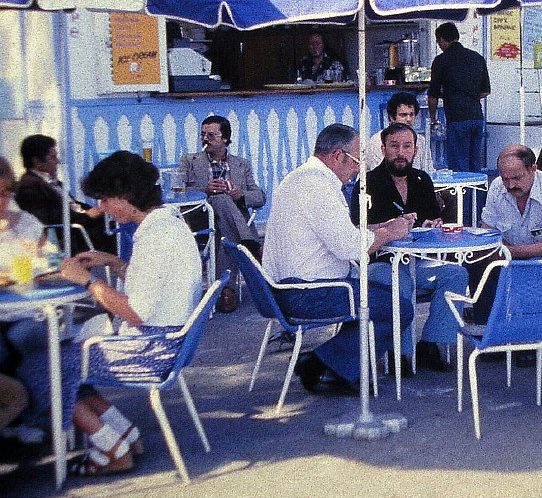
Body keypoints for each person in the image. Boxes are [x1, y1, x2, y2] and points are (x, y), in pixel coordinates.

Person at [58, 150, 203, 476]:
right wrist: (113, 262)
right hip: (171, 340)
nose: (100, 208)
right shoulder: (170, 223)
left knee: (48, 365)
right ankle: (122, 434)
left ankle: (112, 448)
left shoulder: (154, 238)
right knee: (66, 357)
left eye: (105, 199)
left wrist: (88, 282)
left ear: (124, 196)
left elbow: (135, 311)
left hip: (150, 350)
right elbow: (157, 285)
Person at [262, 124, 412, 396]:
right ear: (337, 156)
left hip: (296, 286)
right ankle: (322, 364)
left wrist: (378, 230)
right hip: (305, 292)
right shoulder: (316, 187)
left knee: (380, 294)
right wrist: (391, 232)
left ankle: (335, 364)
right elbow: (351, 247)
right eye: (356, 161)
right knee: (398, 307)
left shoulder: (303, 179)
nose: (358, 170)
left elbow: (340, 236)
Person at [350, 122, 467, 373]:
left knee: (456, 273)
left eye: (407, 146)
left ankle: (430, 343)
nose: (400, 152)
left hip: (417, 261)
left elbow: (433, 221)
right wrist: (391, 226)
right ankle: (399, 353)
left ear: (415, 150)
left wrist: (434, 224)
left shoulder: (422, 180)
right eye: (394, 146)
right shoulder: (367, 183)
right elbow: (356, 230)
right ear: (383, 149)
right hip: (379, 263)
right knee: (400, 281)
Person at [473, 144, 542, 327]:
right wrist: (497, 250)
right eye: (505, 178)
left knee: (494, 269)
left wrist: (507, 251)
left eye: (516, 178)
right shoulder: (497, 187)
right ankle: (490, 336)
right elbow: (486, 232)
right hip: (511, 263)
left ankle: (520, 338)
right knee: (476, 265)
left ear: (533, 169)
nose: (511, 185)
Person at [179, 115, 266, 313]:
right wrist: (205, 189)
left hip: (227, 223)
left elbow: (260, 196)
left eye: (211, 135)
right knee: (218, 198)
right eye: (202, 135)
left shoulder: (241, 164)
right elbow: (178, 190)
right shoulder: (189, 161)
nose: (205, 139)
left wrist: (240, 194)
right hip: (200, 218)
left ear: (225, 139)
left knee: (224, 227)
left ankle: (226, 290)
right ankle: (250, 244)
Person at [0, 156, 47, 445]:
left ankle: (28, 416)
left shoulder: (27, 222)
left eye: (7, 192)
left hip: (23, 309)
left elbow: (48, 260)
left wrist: (43, 260)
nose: (4, 199)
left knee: (30, 335)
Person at [15, 135, 115, 254]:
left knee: (119, 222)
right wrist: (87, 216)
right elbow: (47, 218)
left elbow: (73, 205)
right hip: (71, 233)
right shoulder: (28, 186)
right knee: (119, 233)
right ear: (37, 161)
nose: (57, 161)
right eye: (53, 157)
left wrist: (95, 210)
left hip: (81, 226)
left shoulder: (52, 182)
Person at [427, 22, 490, 173]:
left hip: (457, 119)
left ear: (442, 40)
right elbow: (485, 91)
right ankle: (478, 196)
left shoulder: (441, 60)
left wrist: (433, 118)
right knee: (475, 165)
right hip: (477, 117)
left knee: (459, 167)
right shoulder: (477, 58)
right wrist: (469, 97)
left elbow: (432, 96)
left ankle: (464, 197)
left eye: (439, 42)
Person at [365, 92, 435, 174]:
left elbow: (429, 171)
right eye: (403, 115)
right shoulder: (377, 141)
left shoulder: (421, 140)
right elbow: (380, 176)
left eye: (411, 115)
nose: (409, 119)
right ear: (391, 117)